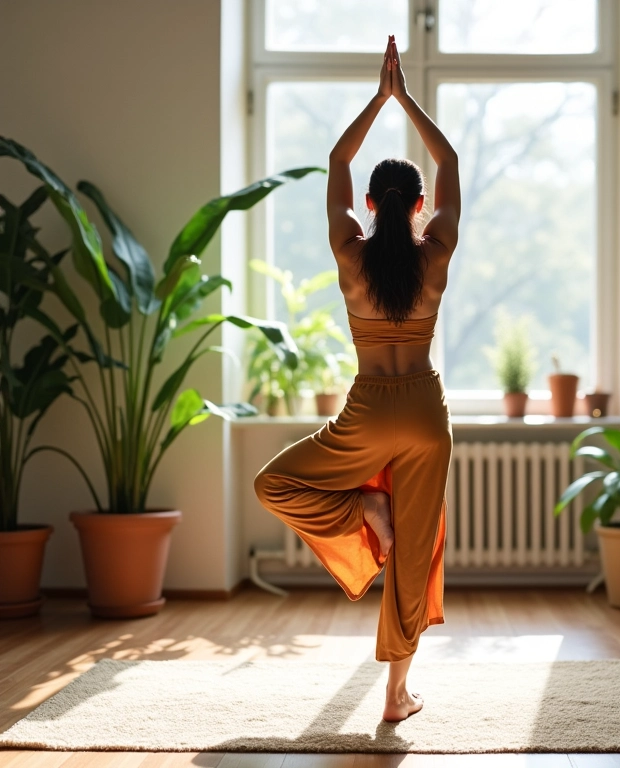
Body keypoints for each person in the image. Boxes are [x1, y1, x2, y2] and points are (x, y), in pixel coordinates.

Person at [253, 34, 460, 723]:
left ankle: (360, 512)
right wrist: (408, 100)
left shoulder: (350, 251)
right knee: (417, 550)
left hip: (369, 411)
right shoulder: (437, 253)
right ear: (419, 204)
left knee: (274, 483)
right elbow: (451, 158)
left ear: (371, 206)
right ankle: (398, 695)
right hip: (426, 415)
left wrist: (380, 98)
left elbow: (338, 158)